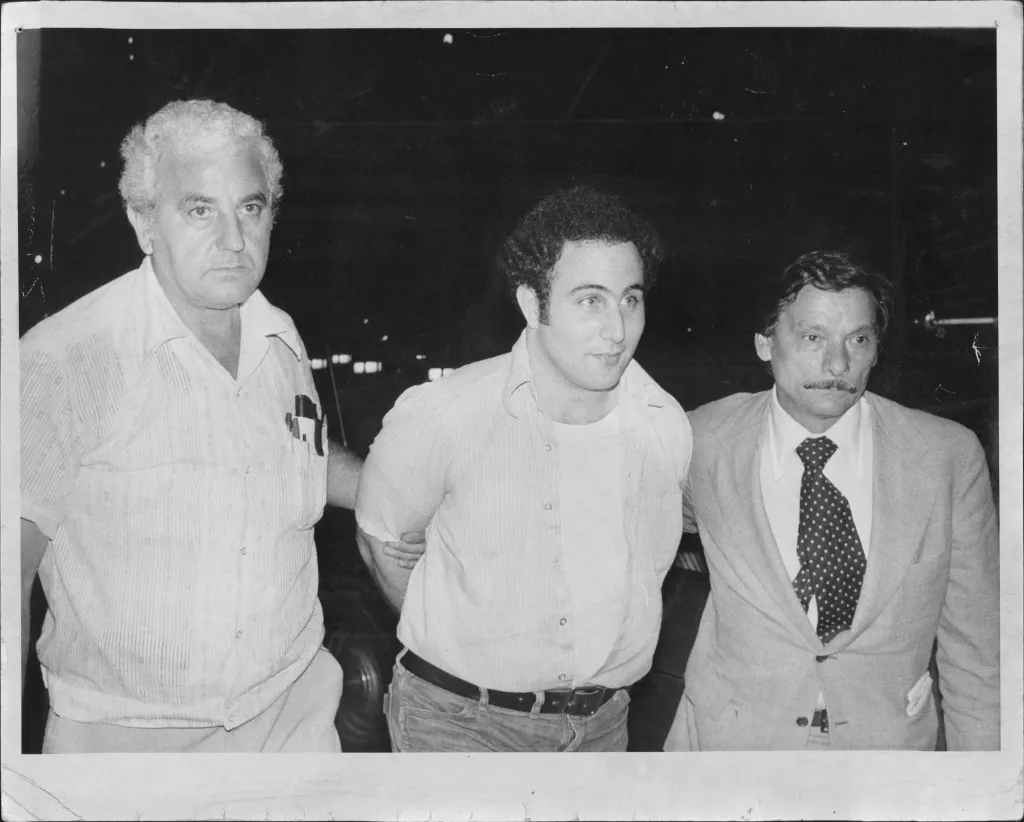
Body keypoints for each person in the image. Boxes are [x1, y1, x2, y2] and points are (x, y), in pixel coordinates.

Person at [19, 99, 377, 753]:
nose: (234, 239)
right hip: (130, 746)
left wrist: (412, 485)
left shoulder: (281, 340)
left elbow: (302, 460)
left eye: (251, 206)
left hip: (291, 722)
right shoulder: (65, 359)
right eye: (200, 209)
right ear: (143, 221)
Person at [354, 186, 692, 752]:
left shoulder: (663, 424)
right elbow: (380, 541)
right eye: (590, 300)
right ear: (532, 306)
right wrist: (461, 648)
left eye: (630, 299)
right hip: (460, 725)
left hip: (602, 728)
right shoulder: (445, 414)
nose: (617, 329)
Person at [663, 250, 999, 751]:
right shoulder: (700, 440)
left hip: (885, 753)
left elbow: (979, 655)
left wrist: (982, 788)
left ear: (876, 350)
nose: (837, 364)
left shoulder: (946, 457)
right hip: (730, 746)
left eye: (858, 339)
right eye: (812, 337)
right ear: (764, 342)